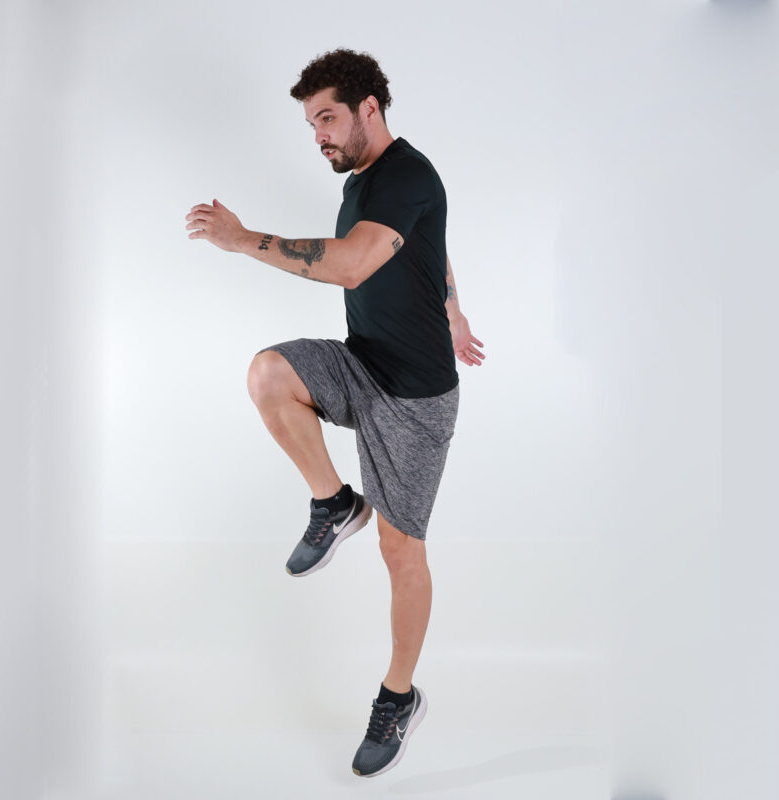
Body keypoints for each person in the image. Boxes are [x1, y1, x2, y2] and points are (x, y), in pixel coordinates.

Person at [185, 48, 485, 777]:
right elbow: (431, 246)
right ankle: (334, 502)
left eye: (326, 118)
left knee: (400, 553)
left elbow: (352, 264)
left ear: (368, 109)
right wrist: (453, 309)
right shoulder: (363, 180)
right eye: (311, 123)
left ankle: (399, 697)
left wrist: (242, 239)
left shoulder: (408, 173)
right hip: (362, 364)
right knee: (269, 374)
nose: (318, 135)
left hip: (415, 400)